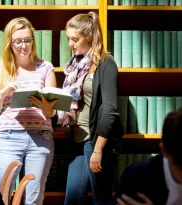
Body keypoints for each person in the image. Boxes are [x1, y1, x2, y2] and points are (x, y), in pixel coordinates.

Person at [0, 17, 57, 205]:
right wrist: (3, 92)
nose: (24, 46)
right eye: (18, 41)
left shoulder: (45, 68)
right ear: (9, 43)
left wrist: (47, 108)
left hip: (40, 138)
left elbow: (53, 112)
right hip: (9, 137)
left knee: (34, 199)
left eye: (28, 40)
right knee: (3, 196)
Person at [60, 11, 124, 205]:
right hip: (78, 139)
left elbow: (110, 108)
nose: (71, 44)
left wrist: (98, 150)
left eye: (75, 39)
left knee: (101, 200)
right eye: (68, 39)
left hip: (96, 142)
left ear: (89, 37)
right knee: (72, 199)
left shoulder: (105, 63)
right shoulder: (74, 66)